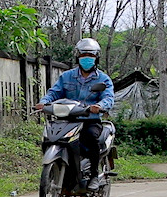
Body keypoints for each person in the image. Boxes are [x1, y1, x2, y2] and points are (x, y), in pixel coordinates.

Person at [37, 37, 116, 181]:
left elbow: (108, 98)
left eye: (91, 55)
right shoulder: (67, 76)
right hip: (67, 120)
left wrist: (99, 106)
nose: (87, 58)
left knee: (91, 137)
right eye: (83, 55)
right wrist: (44, 103)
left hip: (90, 121)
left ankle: (93, 176)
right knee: (49, 138)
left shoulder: (103, 79)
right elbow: (54, 92)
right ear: (77, 57)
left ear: (96, 58)